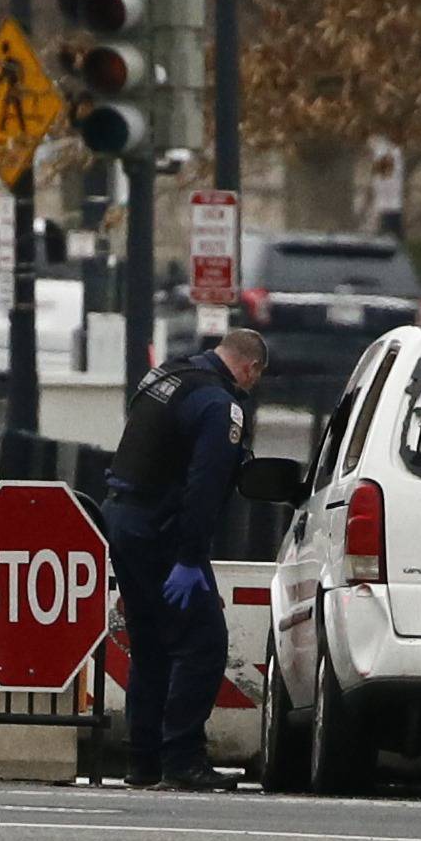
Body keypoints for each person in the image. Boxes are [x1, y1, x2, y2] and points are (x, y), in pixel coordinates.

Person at [103, 329, 269, 791]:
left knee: (151, 644)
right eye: (254, 380)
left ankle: (143, 762)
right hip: (162, 532)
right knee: (202, 644)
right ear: (250, 368)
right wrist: (191, 558)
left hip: (122, 517)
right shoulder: (220, 405)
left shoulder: (165, 376)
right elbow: (206, 485)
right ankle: (182, 761)